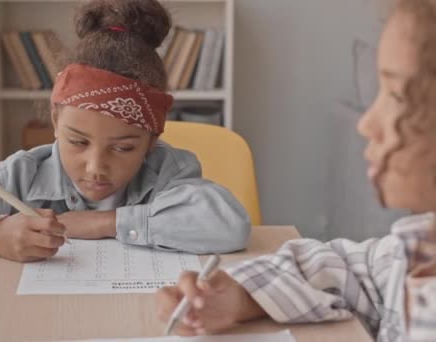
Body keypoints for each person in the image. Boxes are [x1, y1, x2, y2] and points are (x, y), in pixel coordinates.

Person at [0, 0, 250, 263]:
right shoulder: (24, 173)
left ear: (151, 140)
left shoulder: (169, 171)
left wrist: (100, 223)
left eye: (123, 148)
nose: (95, 167)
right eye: (77, 142)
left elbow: (229, 225)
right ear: (54, 121)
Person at [156, 1, 436, 340]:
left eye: (396, 96)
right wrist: (241, 295)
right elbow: (355, 271)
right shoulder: (419, 246)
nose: (366, 123)